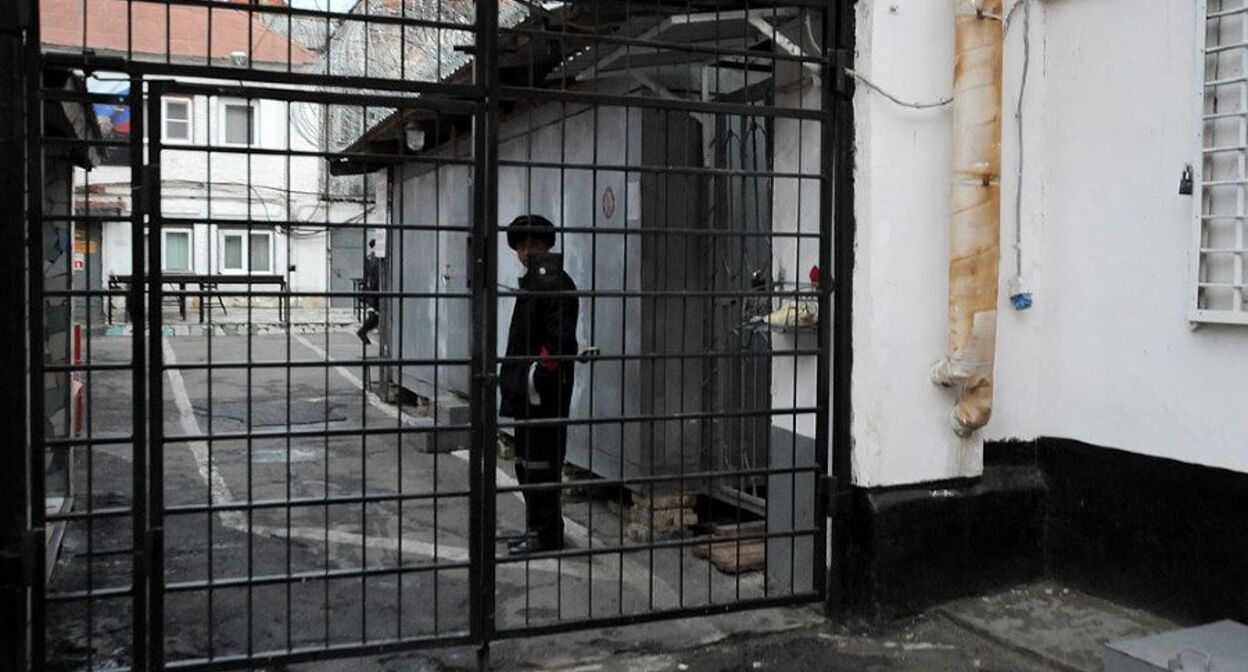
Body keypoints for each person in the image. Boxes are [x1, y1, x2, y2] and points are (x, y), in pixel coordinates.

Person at [499, 214, 578, 555]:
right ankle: (537, 529)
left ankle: (546, 535)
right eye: (520, 246)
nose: (525, 252)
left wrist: (535, 378)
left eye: (532, 245)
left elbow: (560, 341)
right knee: (526, 464)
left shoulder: (553, 281)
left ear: (546, 246)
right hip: (527, 392)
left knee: (542, 465)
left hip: (543, 395)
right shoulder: (534, 282)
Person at [356, 239, 381, 345]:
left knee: (375, 318)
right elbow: (373, 276)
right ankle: (362, 332)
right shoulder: (375, 259)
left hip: (371, 290)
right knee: (373, 317)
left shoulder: (370, 258)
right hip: (373, 291)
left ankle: (363, 332)